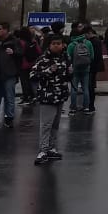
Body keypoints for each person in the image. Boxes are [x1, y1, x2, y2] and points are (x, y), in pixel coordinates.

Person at [31, 34, 72, 165]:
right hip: (47, 96)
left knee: (55, 124)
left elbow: (67, 76)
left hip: (60, 95)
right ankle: (42, 150)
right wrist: (48, 70)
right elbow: (33, 75)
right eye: (54, 43)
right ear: (49, 45)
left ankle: (51, 148)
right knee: (46, 124)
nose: (56, 46)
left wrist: (71, 73)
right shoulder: (43, 59)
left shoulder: (65, 58)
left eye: (59, 43)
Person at [67, 24, 95, 115]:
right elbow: (92, 57)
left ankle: (73, 108)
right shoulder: (88, 43)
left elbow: (68, 57)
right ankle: (86, 107)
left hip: (75, 69)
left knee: (74, 89)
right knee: (85, 88)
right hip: (86, 69)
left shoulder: (71, 45)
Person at [17, 27, 40, 106]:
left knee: (24, 82)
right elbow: (39, 51)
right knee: (30, 81)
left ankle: (26, 97)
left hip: (23, 64)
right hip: (32, 63)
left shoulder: (20, 42)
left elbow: (19, 53)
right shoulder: (33, 41)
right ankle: (32, 96)